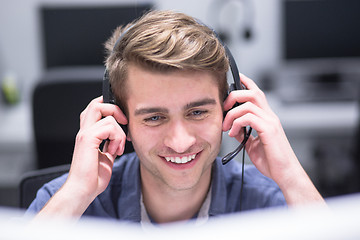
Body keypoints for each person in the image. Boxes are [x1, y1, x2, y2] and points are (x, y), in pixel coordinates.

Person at [27, 10, 324, 224]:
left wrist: (292, 177)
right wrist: (76, 195)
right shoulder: (65, 205)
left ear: (228, 110)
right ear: (121, 121)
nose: (180, 143)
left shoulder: (272, 203)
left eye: (197, 112)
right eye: (154, 118)